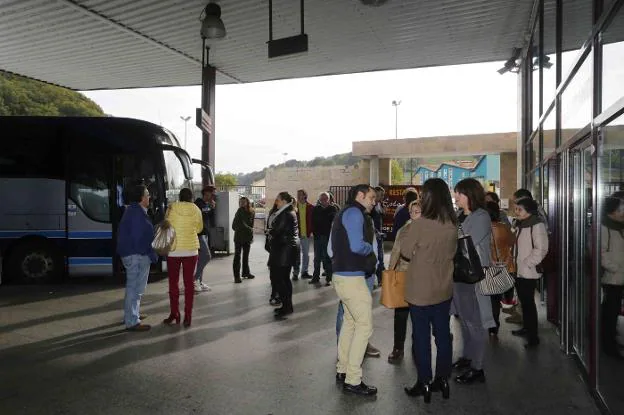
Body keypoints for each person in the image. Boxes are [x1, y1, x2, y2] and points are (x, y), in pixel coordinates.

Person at [401, 178, 457, 402]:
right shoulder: (452, 224)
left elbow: (405, 251)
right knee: (443, 336)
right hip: (443, 288)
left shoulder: (420, 224)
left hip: (420, 290)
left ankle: (423, 382)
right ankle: (442, 379)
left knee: (421, 337)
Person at [332, 184, 378, 397]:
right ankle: (353, 379)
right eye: (371, 197)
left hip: (342, 276)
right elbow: (357, 246)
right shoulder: (355, 213)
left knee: (350, 324)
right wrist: (370, 247)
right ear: (360, 196)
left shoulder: (343, 211)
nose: (373, 202)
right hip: (352, 278)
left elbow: (331, 249)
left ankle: (342, 370)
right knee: (364, 326)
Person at [452, 178, 495, 384]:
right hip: (460, 276)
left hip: (473, 277)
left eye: (459, 193)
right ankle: (468, 357)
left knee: (475, 322)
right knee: (465, 321)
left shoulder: (481, 217)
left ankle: (478, 367)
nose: (455, 197)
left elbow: (464, 242)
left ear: (470, 194)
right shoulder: (460, 215)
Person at [116, 184, 158, 332]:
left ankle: (132, 314)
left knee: (135, 288)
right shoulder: (136, 213)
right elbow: (139, 238)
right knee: (135, 288)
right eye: (147, 194)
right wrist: (152, 253)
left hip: (134, 254)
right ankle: (132, 321)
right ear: (141, 198)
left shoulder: (135, 210)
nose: (149, 197)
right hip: (137, 255)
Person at [387, 199, 421, 363]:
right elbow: (395, 252)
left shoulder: (429, 230)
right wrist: (390, 273)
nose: (413, 215)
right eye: (411, 212)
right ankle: (398, 347)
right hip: (403, 275)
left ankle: (418, 347)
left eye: (417, 212)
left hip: (421, 278)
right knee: (400, 315)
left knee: (418, 316)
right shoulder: (404, 229)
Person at [164, 188, 204, 328]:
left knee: (173, 284)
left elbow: (166, 225)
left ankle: (175, 313)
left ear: (180, 197)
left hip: (174, 250)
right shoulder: (197, 210)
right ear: (192, 197)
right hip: (191, 250)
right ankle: (188, 316)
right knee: (188, 285)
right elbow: (199, 229)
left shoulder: (171, 207)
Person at [512, 197, 548, 348]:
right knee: (525, 303)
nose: (517, 212)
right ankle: (527, 328)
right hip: (519, 270)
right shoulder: (521, 224)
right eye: (516, 209)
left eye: (520, 209)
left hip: (528, 271)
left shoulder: (537, 225)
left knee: (529, 304)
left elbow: (541, 250)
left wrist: (527, 264)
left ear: (529, 210)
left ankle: (533, 337)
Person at [485, 201, 515, 336]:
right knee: (496, 298)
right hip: (504, 266)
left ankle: (492, 325)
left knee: (491, 298)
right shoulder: (504, 227)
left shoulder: (483, 230)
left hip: (489, 267)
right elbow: (512, 242)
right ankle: (495, 324)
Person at [268, 192, 300, 317]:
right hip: (286, 249)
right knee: (284, 279)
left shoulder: (285, 214)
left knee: (280, 279)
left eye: (278, 200)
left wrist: (270, 231)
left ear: (285, 201)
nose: (276, 202)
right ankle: (287, 306)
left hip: (283, 251)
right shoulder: (289, 212)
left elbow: (277, 231)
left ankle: (287, 307)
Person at [600, 191, 624, 358]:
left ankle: (612, 339)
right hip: (612, 277)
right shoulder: (604, 228)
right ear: (611, 211)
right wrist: (617, 268)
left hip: (620, 276)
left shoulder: (620, 228)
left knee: (613, 311)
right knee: (610, 311)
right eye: (620, 209)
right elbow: (602, 255)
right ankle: (608, 345)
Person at [311, 192, 338, 286]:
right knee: (317, 258)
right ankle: (315, 277)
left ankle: (329, 278)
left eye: (325, 199)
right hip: (318, 237)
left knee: (327, 258)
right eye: (322, 199)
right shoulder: (316, 209)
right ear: (319, 200)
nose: (323, 201)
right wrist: (314, 232)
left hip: (328, 237)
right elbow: (312, 221)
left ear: (329, 199)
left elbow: (335, 223)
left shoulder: (333, 209)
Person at [194, 186, 216, 293]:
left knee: (201, 259)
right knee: (207, 256)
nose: (212, 197)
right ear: (205, 194)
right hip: (199, 234)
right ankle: (194, 280)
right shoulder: (198, 203)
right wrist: (210, 208)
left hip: (205, 233)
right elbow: (202, 213)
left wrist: (212, 208)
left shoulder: (207, 204)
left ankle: (199, 282)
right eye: (210, 194)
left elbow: (210, 218)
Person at [232, 196, 255, 283]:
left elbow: (252, 226)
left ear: (247, 203)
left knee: (245, 257)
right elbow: (234, 226)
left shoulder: (252, 212)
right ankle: (236, 277)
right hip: (238, 238)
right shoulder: (239, 211)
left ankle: (246, 273)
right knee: (237, 257)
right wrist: (244, 229)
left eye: (243, 202)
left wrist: (251, 236)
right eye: (240, 202)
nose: (241, 204)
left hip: (247, 238)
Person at [293, 189, 314, 280]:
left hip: (306, 235)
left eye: (300, 194)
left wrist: (312, 231)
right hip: (296, 235)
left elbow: (313, 221)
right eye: (297, 195)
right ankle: (295, 273)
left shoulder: (311, 207)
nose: (298, 196)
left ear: (305, 195)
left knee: (306, 254)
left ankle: (304, 272)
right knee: (296, 255)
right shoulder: (294, 207)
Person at [371, 186, 386, 284]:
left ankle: (381, 279)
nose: (382, 197)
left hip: (379, 236)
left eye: (383, 195)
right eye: (381, 195)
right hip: (372, 236)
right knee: (375, 258)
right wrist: (375, 232)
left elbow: (383, 215)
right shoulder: (369, 207)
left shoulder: (381, 205)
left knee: (380, 258)